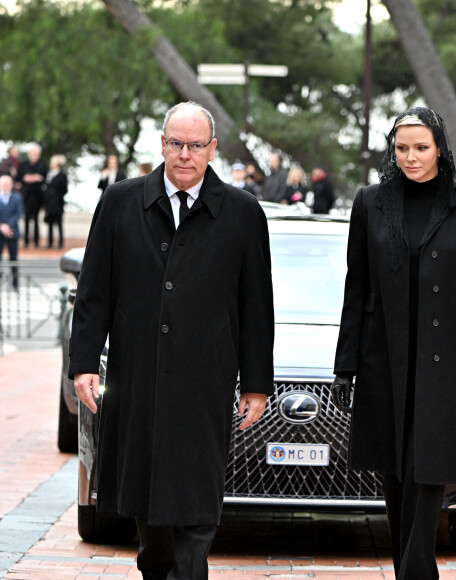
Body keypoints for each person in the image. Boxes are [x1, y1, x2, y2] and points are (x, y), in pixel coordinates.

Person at [69, 101, 274, 580]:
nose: (185, 154)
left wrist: (256, 383)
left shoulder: (243, 213)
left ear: (212, 149)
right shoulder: (120, 202)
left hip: (205, 380)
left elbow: (256, 306)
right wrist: (83, 364)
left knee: (196, 510)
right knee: (149, 512)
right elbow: (94, 290)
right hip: (138, 377)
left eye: (195, 145)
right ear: (162, 145)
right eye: (176, 144)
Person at [331, 107, 456, 580]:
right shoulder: (370, 203)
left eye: (421, 148)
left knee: (429, 472)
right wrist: (345, 366)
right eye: (401, 148)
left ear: (440, 149)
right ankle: (413, 569)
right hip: (384, 358)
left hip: (446, 363)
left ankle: (415, 572)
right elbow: (356, 288)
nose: (410, 157)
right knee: (396, 475)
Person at [15, 143, 47, 248]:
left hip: (38, 196)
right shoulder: (23, 165)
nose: (34, 156)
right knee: (27, 218)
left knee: (36, 218)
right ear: (29, 154)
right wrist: (25, 179)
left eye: (36, 154)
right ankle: (26, 241)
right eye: (33, 153)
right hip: (26, 195)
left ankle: (36, 241)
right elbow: (18, 178)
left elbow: (46, 179)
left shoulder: (42, 164)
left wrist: (38, 178)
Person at [0, 175, 23, 291]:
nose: (5, 185)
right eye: (3, 183)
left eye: (7, 183)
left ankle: (15, 284)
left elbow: (18, 213)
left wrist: (8, 226)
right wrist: (1, 226)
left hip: (12, 231)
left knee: (13, 258)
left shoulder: (17, 197)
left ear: (11, 185)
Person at [42, 154, 68, 249]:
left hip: (57, 204)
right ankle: (50, 242)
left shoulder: (62, 175)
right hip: (49, 204)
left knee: (59, 223)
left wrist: (55, 195)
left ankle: (60, 243)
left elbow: (64, 190)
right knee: (50, 223)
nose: (51, 164)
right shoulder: (49, 174)